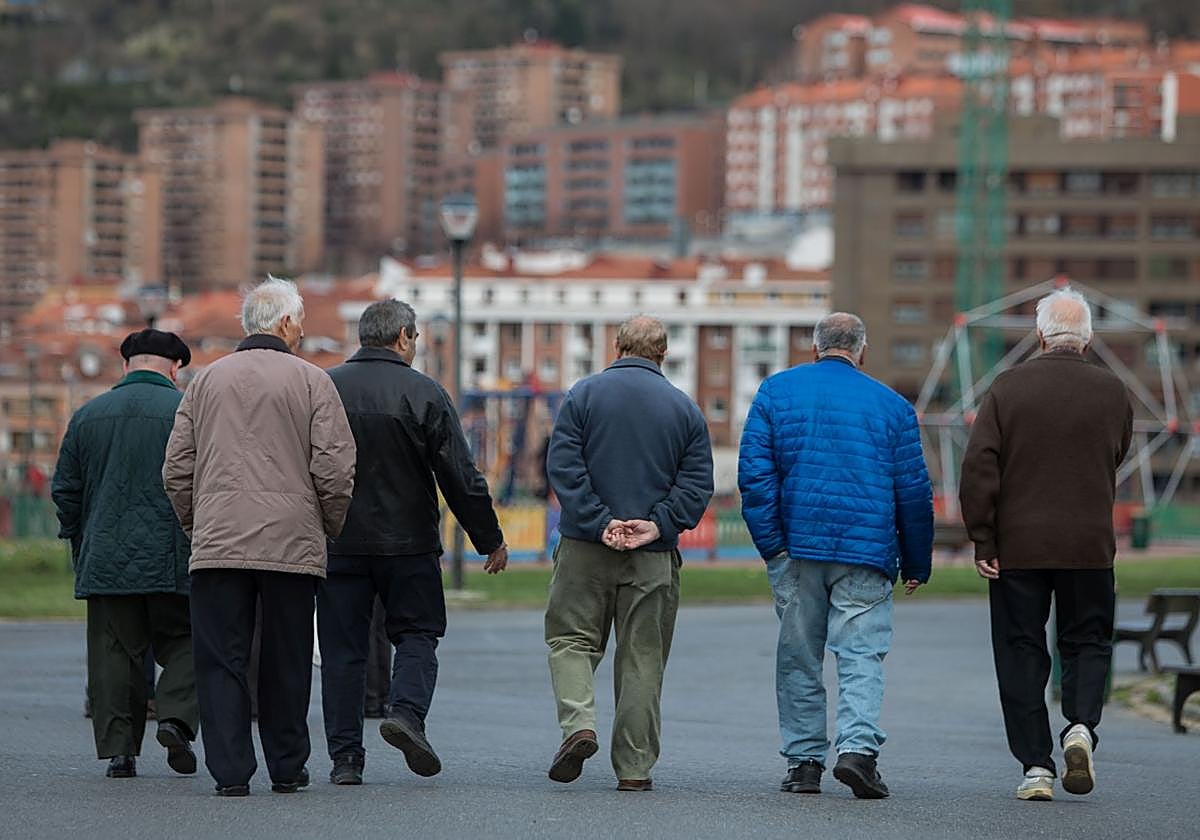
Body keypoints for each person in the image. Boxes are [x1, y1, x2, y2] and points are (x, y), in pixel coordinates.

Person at [163, 276, 356, 796]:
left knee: (220, 658)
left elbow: (177, 468)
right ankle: (288, 765)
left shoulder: (205, 381)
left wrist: (198, 524)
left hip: (218, 543)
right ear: (288, 323)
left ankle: (230, 771)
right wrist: (326, 526)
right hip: (291, 545)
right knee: (287, 657)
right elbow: (335, 470)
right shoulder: (314, 382)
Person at [738, 312, 933, 800]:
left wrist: (773, 546)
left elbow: (755, 478)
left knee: (799, 657)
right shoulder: (893, 407)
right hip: (866, 551)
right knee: (861, 653)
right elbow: (913, 492)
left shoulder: (775, 393)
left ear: (814, 348)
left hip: (798, 548)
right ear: (862, 351)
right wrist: (916, 561)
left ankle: (804, 763)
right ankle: (858, 751)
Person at [319, 299, 508, 786]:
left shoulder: (325, 388)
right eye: (416, 337)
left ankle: (345, 760)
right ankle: (405, 713)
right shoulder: (424, 392)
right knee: (418, 634)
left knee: (343, 652)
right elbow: (459, 476)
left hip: (338, 541)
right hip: (409, 543)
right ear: (403, 337)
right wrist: (489, 538)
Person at [960, 288, 1132, 802]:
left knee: (1020, 651)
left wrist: (983, 537)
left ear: (1039, 335)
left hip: (1018, 548)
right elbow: (1116, 453)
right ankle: (1081, 724)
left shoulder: (1008, 388)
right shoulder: (1113, 391)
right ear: (1089, 338)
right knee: (1087, 641)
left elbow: (978, 467)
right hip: (1089, 545)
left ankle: (1036, 766)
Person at [544, 316, 713, 792]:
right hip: (652, 553)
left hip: (584, 545)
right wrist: (657, 522)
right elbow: (698, 484)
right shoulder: (685, 409)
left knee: (570, 639)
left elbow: (563, 466)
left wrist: (600, 521)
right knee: (642, 656)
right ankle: (634, 768)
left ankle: (579, 724)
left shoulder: (583, 395)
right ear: (663, 354)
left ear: (616, 347)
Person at [52, 329, 199, 780]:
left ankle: (120, 752)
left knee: (114, 652)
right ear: (175, 368)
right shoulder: (187, 412)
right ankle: (175, 718)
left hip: (107, 556)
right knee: (191, 639)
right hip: (176, 554)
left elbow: (66, 491)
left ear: (126, 365)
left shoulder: (88, 415)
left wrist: (80, 539)